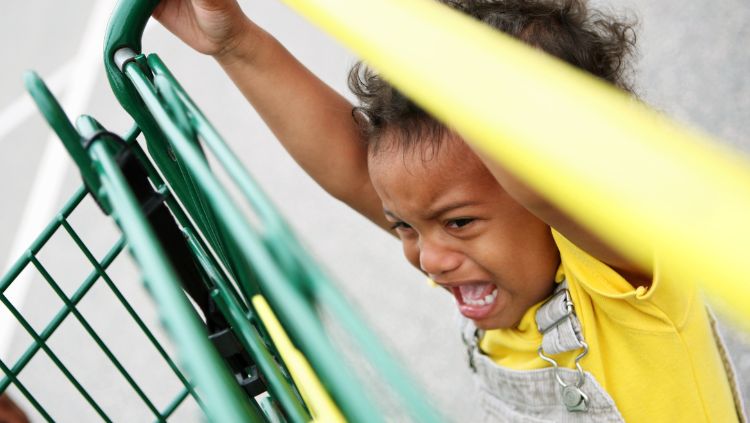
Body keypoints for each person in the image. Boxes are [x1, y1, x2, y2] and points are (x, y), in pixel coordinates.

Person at [154, 0, 745, 421]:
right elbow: (354, 171)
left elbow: (538, 177)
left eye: (459, 222)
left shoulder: (622, 282)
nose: (429, 259)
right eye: (404, 227)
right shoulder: (505, 279)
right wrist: (236, 43)